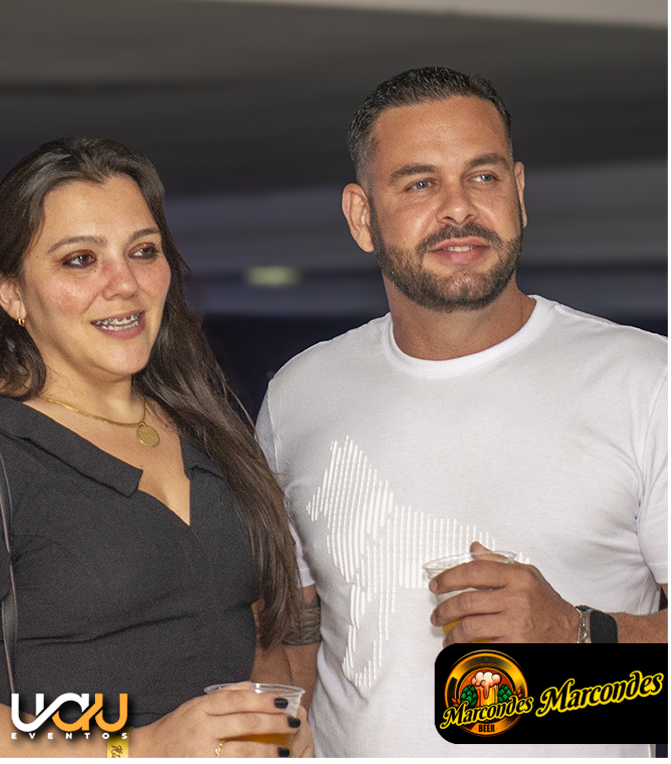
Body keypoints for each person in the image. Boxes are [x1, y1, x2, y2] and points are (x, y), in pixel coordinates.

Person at [0, 137, 312, 756]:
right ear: (10, 293)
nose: (125, 283)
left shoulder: (209, 432)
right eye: (80, 260)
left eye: (143, 251)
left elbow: (254, 646)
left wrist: (283, 731)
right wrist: (135, 745)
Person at [255, 66, 667, 756]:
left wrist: (580, 634)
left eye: (483, 176)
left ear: (519, 193)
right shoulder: (302, 393)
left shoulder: (645, 381)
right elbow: (294, 635)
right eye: (420, 184)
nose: (460, 210)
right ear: (362, 217)